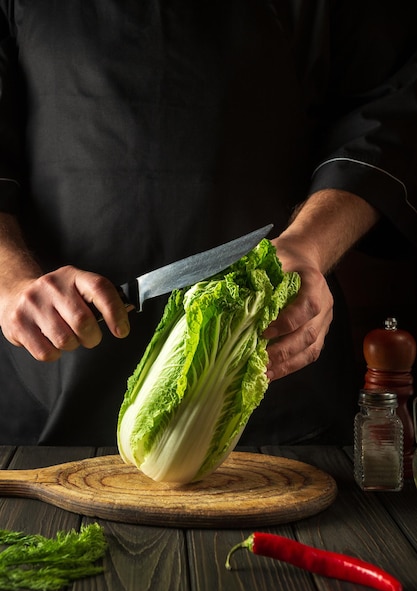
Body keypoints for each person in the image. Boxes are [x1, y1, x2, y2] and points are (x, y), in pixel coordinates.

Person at [0, 1, 416, 446]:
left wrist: (310, 246)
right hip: (44, 409)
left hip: (272, 391)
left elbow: (392, 108)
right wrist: (8, 279)